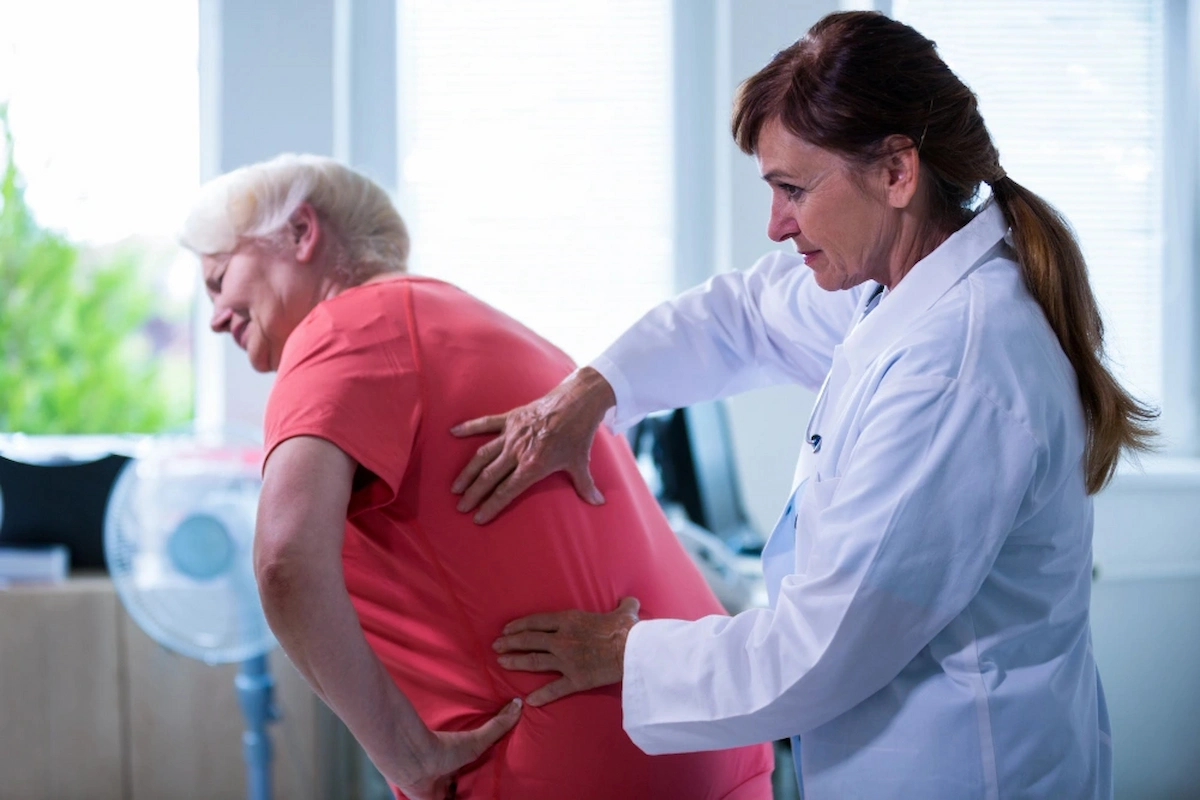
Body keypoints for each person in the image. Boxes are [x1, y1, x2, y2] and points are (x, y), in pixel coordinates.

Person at [451, 11, 1157, 799]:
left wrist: (626, 652)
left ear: (897, 172)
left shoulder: (956, 368)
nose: (776, 224)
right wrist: (594, 391)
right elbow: (745, 316)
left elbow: (819, 649)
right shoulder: (902, 288)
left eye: (794, 189)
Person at [180, 154, 773, 800]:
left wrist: (404, 753)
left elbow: (284, 562)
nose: (215, 317)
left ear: (301, 233)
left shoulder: (341, 329)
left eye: (218, 279)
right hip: (706, 728)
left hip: (574, 762)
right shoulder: (474, 324)